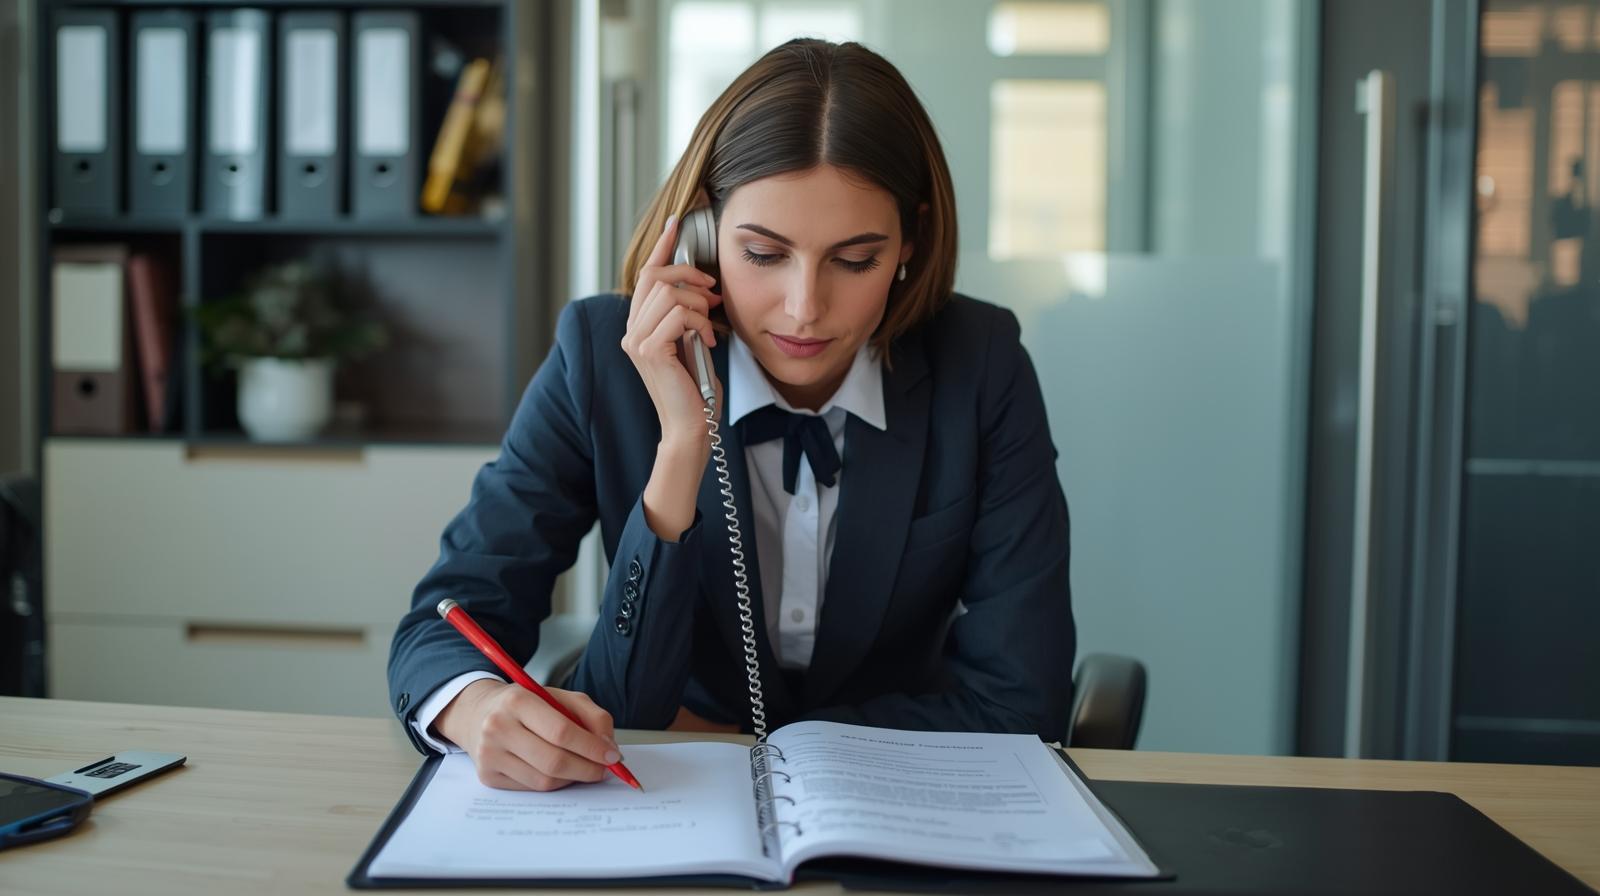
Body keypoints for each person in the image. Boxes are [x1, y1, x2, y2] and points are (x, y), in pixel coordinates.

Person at [388, 38, 1074, 792]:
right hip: (661, 805)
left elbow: (1020, 701)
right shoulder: (599, 359)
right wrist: (475, 705)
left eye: (854, 261)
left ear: (909, 241)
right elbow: (442, 627)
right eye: (764, 254)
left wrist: (758, 744)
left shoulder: (979, 365)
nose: (805, 309)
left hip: (900, 802)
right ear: (704, 237)